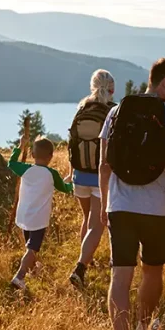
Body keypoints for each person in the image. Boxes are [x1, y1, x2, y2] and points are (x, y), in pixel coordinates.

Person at [100, 58, 165, 330]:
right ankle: (142, 328)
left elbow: (105, 164)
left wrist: (104, 205)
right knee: (152, 271)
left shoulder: (116, 111)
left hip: (121, 207)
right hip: (158, 209)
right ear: (164, 83)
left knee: (120, 275)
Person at [67, 69, 116, 289]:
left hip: (79, 175)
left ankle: (87, 258)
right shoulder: (112, 111)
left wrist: (71, 172)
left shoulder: (82, 108)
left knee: (87, 218)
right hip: (99, 176)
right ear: (112, 89)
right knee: (97, 225)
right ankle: (80, 267)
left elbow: (71, 142)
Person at [8, 133, 73, 290]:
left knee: (30, 247)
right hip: (39, 220)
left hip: (24, 215)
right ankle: (19, 276)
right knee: (32, 248)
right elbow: (65, 189)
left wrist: (20, 146)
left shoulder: (25, 170)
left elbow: (11, 163)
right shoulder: (52, 174)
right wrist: (72, 181)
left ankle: (33, 269)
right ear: (51, 156)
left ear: (32, 154)